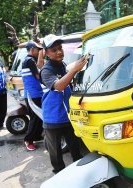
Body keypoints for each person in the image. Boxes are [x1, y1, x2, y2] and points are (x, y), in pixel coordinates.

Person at [40, 34, 87, 174]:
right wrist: (74, 70)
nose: (59, 52)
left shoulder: (63, 66)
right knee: (56, 153)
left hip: (68, 115)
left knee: (75, 146)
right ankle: (59, 174)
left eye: (60, 48)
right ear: (46, 53)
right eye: (54, 50)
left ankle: (80, 173)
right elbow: (59, 86)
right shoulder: (46, 70)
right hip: (53, 118)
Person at [22, 41, 44, 151]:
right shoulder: (30, 60)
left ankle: (36, 136)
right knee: (35, 117)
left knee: (39, 116)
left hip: (34, 93)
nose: (39, 51)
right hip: (33, 94)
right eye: (37, 49)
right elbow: (38, 76)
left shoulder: (28, 60)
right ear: (32, 49)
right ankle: (28, 139)